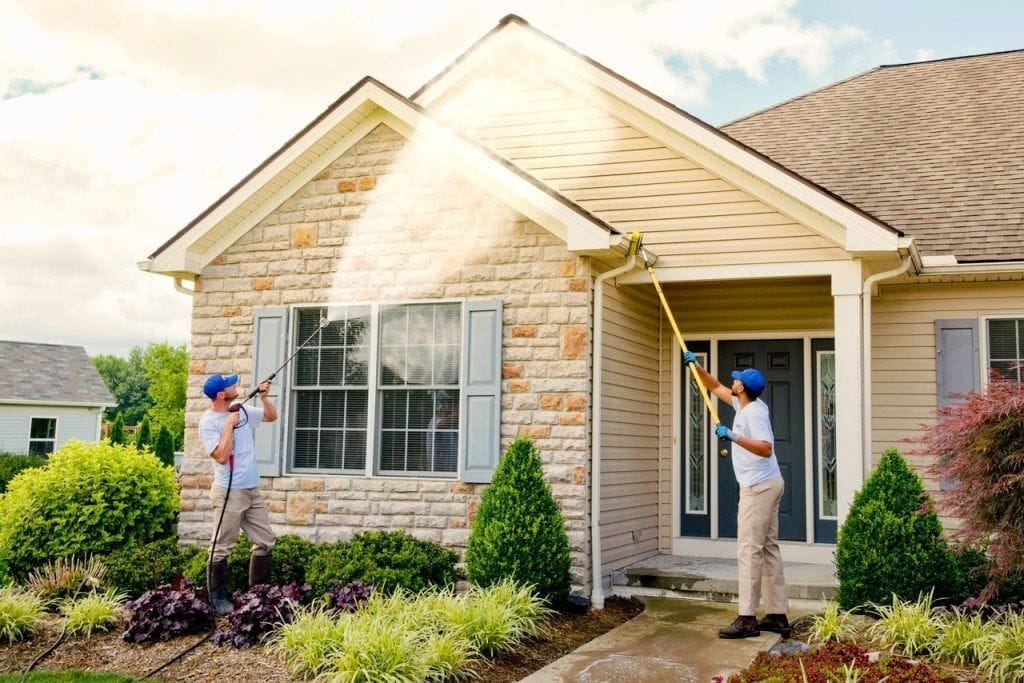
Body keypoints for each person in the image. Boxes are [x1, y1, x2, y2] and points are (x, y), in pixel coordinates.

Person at [684, 351, 790, 639]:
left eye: (737, 380)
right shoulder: (745, 404)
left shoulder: (753, 412)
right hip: (769, 483)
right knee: (767, 548)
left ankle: (746, 618)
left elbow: (766, 448)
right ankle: (777, 615)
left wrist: (732, 436)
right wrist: (696, 366)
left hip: (758, 487)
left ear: (742, 388)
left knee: (749, 549)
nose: (734, 382)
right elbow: (714, 385)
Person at [198, 373, 278, 615]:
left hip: (251, 488)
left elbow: (271, 417)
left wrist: (264, 398)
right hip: (228, 492)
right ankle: (218, 599)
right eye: (230, 385)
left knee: (265, 541)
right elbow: (221, 456)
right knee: (222, 546)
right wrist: (228, 427)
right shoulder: (209, 422)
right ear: (221, 394)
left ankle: (257, 595)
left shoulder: (241, 410)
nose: (236, 386)